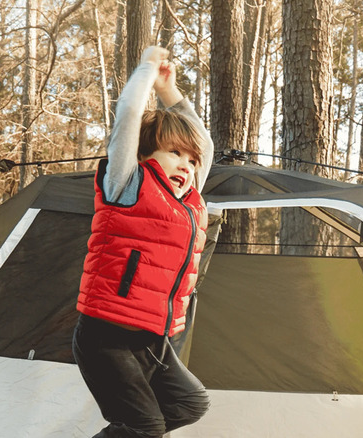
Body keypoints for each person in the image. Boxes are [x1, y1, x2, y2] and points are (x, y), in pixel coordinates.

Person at [72, 46, 213, 437]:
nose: (185, 165)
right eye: (173, 153)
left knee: (189, 403)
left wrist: (171, 91)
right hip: (107, 336)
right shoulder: (128, 184)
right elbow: (130, 116)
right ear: (145, 154)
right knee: (145, 426)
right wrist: (148, 71)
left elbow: (205, 146)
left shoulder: (189, 200)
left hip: (153, 338)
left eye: (191, 160)